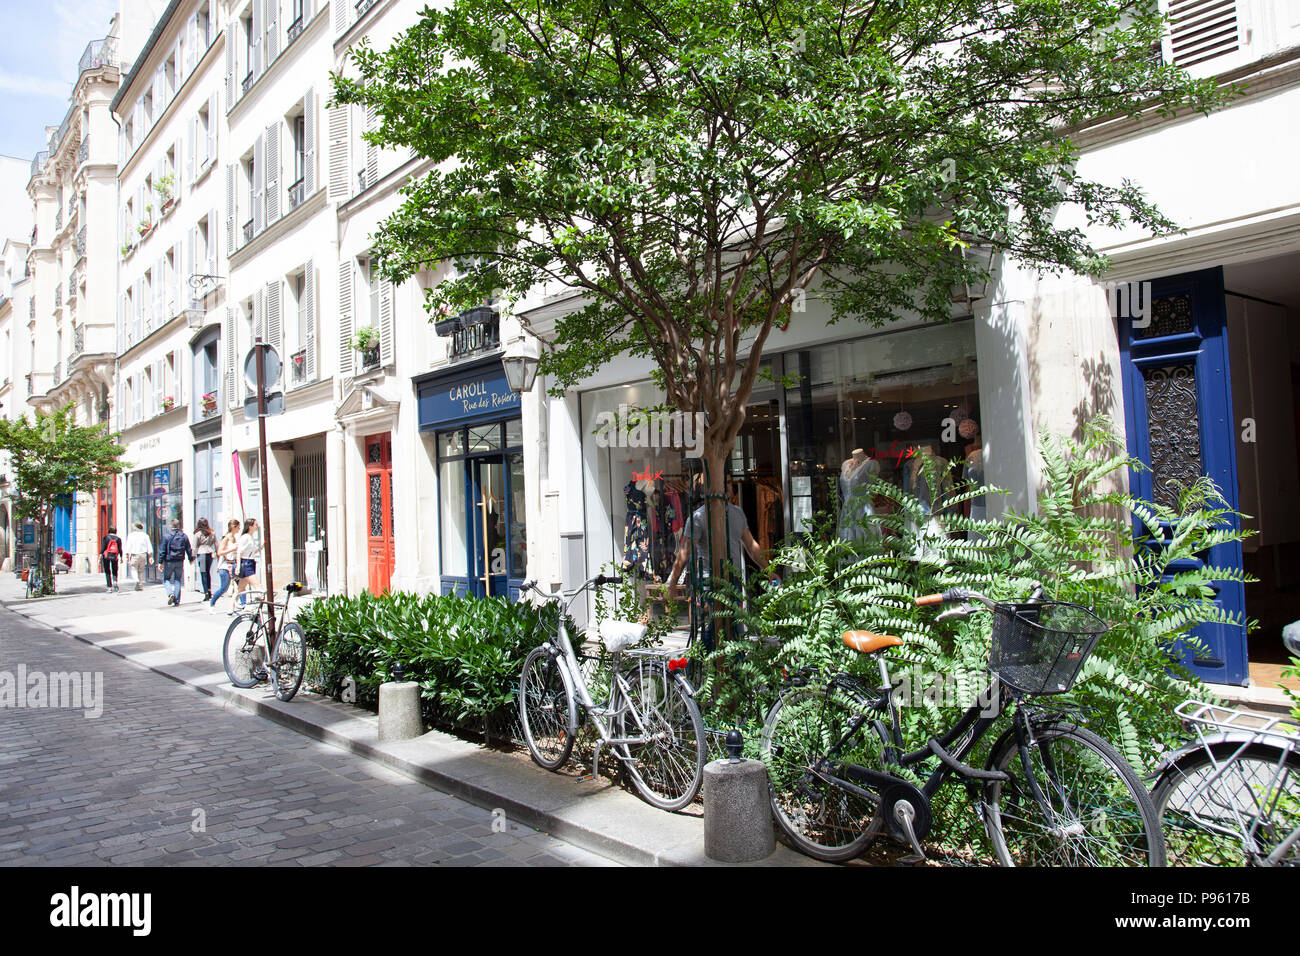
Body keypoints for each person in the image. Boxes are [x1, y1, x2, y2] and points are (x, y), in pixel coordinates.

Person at [663, 475, 778, 652]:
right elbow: (684, 554)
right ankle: (709, 664)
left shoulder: (735, 513)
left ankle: (710, 665)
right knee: (726, 626)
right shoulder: (699, 517)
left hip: (732, 580)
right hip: (711, 581)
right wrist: (672, 583)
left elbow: (751, 546)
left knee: (729, 626)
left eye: (730, 482)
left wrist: (768, 570)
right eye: (728, 482)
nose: (730, 486)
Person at [158, 518, 194, 607]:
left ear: (171, 526)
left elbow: (162, 550)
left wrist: (160, 562)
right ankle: (177, 600)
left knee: (166, 579)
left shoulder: (166, 536)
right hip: (180, 560)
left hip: (169, 561)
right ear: (179, 526)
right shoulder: (184, 536)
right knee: (177, 579)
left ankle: (170, 593)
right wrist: (190, 559)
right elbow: (188, 549)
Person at [209, 519, 240, 614]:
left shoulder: (234, 538)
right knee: (224, 588)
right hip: (225, 566)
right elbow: (219, 552)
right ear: (234, 527)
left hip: (233, 565)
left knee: (240, 586)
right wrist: (232, 549)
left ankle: (238, 606)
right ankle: (212, 604)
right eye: (238, 527)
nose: (239, 529)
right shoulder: (226, 538)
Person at [231, 518, 261, 614]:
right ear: (250, 526)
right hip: (247, 564)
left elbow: (250, 551)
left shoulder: (250, 537)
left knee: (240, 588)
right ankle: (251, 606)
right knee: (258, 586)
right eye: (256, 524)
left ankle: (230, 608)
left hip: (250, 562)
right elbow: (239, 551)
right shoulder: (246, 537)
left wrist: (260, 548)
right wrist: (238, 566)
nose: (257, 526)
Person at [193, 518, 217, 602]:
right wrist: (217, 553)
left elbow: (195, 547)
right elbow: (216, 544)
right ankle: (210, 590)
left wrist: (192, 557)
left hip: (201, 554)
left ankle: (206, 592)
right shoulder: (212, 533)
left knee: (203, 573)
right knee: (208, 572)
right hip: (209, 553)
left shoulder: (198, 534)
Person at [124, 521, 153, 590]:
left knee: (133, 569)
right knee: (141, 570)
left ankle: (136, 580)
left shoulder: (131, 535)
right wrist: (150, 556)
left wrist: (127, 556)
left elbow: (128, 547)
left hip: (134, 555)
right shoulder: (145, 535)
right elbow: (149, 546)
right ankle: (140, 585)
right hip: (143, 555)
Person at [100, 525, 123, 592]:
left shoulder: (106, 538)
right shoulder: (118, 539)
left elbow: (103, 548)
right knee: (115, 570)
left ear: (109, 531)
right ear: (116, 531)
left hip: (106, 556)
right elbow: (120, 549)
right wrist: (121, 557)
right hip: (115, 556)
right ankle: (115, 582)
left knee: (107, 571)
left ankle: (109, 587)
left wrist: (100, 556)